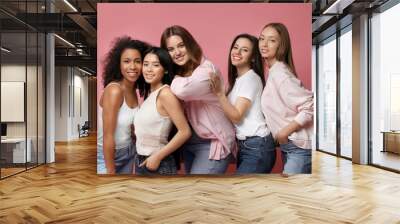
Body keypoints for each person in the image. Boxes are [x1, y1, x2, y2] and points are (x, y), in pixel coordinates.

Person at [160, 25, 236, 174]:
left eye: (181, 45)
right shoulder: (184, 72)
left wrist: (173, 77)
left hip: (212, 142)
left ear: (190, 44)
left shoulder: (207, 71)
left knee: (198, 192)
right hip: (189, 142)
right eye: (171, 49)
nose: (177, 52)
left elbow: (183, 90)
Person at [209, 33, 276, 174]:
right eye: (235, 47)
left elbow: (236, 116)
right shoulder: (237, 81)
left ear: (252, 57)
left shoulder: (250, 79)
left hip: (257, 145)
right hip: (247, 145)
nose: (237, 52)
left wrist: (220, 94)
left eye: (244, 50)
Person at [258, 23, 314, 175]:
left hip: (298, 147)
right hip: (290, 146)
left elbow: (310, 105)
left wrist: (283, 133)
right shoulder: (274, 72)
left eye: (272, 40)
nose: (264, 44)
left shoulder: (280, 74)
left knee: (291, 194)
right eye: (262, 39)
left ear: (281, 45)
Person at [134, 47, 191, 175]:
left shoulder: (165, 94)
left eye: (155, 65)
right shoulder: (150, 95)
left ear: (165, 69)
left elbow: (185, 131)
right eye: (146, 64)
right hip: (141, 160)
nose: (149, 69)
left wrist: (157, 157)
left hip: (159, 164)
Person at [97, 36, 148, 174]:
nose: (132, 67)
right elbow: (108, 135)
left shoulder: (134, 90)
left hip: (128, 153)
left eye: (138, 61)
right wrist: (111, 169)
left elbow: (127, 126)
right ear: (118, 64)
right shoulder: (114, 90)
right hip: (107, 156)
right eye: (126, 61)